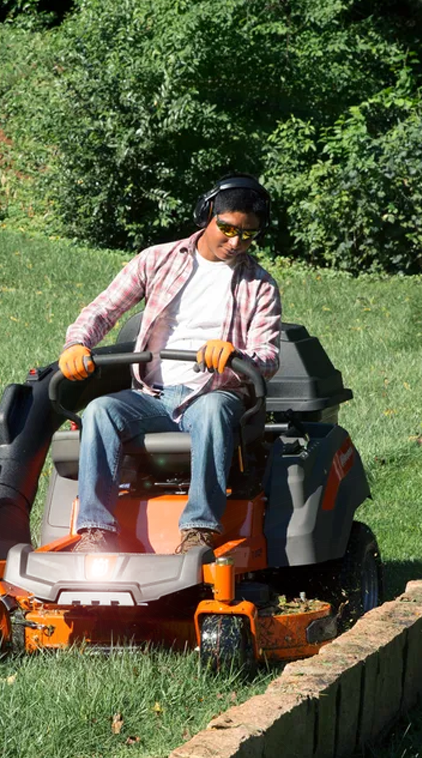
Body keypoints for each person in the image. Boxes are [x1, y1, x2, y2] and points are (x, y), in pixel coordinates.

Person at [58, 174, 282, 554]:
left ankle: (199, 530)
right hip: (152, 395)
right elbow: (103, 310)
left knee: (213, 410)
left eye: (248, 234)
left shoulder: (260, 285)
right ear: (206, 214)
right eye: (227, 229)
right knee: (100, 410)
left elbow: (269, 356)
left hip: (213, 394)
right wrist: (77, 344)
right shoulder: (157, 260)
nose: (235, 242)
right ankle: (96, 532)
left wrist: (236, 356)